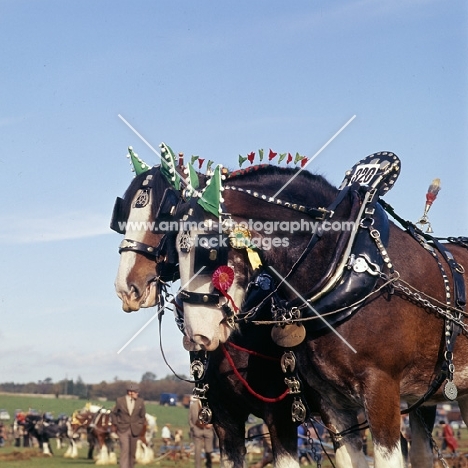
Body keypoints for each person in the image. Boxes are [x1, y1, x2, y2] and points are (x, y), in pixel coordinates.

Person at [111, 383, 146, 468]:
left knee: (132, 452)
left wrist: (140, 425)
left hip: (135, 430)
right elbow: (113, 413)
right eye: (136, 392)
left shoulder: (140, 402)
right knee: (125, 450)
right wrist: (116, 424)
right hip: (123, 429)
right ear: (130, 392)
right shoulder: (120, 401)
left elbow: (142, 416)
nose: (137, 394)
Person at [189, 397, 215, 468]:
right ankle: (198, 466)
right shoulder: (193, 405)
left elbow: (215, 416)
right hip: (197, 430)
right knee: (197, 451)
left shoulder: (210, 404)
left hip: (208, 431)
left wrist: (211, 424)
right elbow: (190, 419)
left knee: (209, 450)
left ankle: (209, 465)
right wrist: (193, 428)